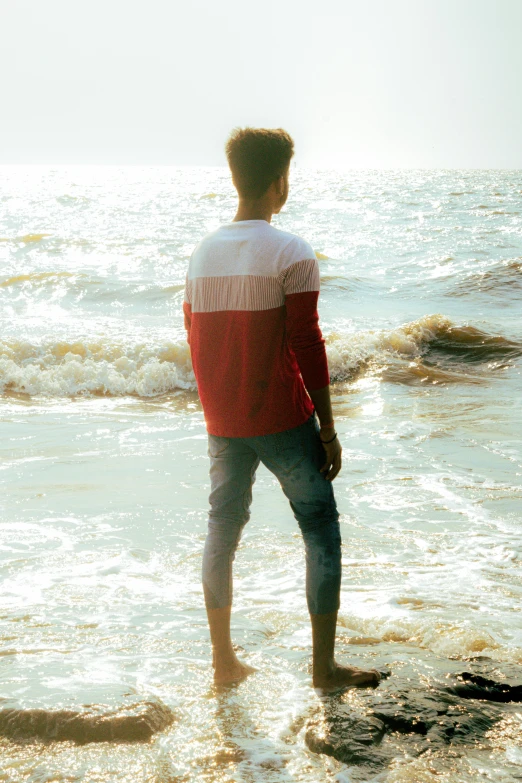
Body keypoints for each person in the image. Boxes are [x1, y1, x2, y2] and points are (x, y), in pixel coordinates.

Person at [183, 127, 380, 692]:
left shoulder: (201, 253)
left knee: (222, 529)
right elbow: (307, 343)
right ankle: (323, 670)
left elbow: (195, 337)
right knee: (320, 529)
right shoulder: (290, 251)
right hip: (283, 420)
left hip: (223, 422)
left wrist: (217, 412)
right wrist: (329, 428)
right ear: (280, 181)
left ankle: (223, 663)